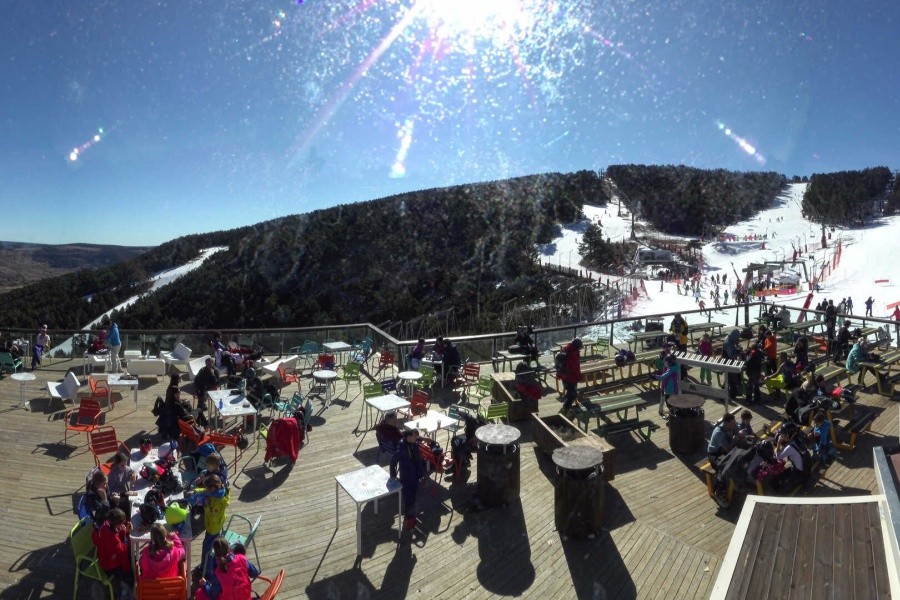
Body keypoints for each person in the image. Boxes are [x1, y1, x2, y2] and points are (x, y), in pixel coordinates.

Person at [194, 536, 260, 600]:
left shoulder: (218, 574)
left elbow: (212, 594)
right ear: (230, 548)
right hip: (246, 598)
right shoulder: (242, 558)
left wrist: (205, 584)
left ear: (216, 555)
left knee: (200, 593)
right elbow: (255, 574)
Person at [190, 474, 230, 572]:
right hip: (217, 525)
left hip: (212, 528)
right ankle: (211, 564)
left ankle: (205, 570)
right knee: (214, 548)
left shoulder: (218, 501)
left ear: (212, 488)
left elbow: (213, 517)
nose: (206, 490)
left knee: (207, 550)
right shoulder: (218, 492)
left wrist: (206, 505)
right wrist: (196, 491)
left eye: (207, 488)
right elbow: (205, 492)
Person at [390, 428, 426, 531]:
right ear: (408, 437)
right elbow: (392, 462)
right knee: (408, 498)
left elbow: (418, 461)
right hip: (406, 478)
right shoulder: (401, 449)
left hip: (415, 476)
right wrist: (393, 476)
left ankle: (411, 514)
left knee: (413, 497)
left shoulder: (414, 445)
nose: (416, 438)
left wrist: (421, 475)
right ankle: (409, 519)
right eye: (414, 436)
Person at [92, 507, 134, 591]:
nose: (122, 525)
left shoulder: (107, 524)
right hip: (109, 565)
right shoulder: (111, 536)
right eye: (121, 523)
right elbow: (121, 549)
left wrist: (124, 531)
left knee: (130, 558)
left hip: (105, 556)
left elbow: (117, 537)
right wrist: (127, 535)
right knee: (129, 575)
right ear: (116, 524)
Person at [155, 376, 190, 441]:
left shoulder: (170, 387)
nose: (180, 379)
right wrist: (182, 402)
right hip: (172, 411)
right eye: (179, 378)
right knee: (188, 407)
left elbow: (175, 400)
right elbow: (177, 402)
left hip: (167, 408)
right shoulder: (174, 389)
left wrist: (181, 401)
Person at [558, 338, 583, 415]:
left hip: (563, 375)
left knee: (570, 392)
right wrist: (578, 377)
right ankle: (564, 411)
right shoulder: (574, 353)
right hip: (571, 377)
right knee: (572, 394)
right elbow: (575, 367)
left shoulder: (566, 349)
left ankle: (565, 409)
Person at [722, 329, 742, 400]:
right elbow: (731, 355)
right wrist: (739, 352)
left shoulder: (730, 338)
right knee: (731, 379)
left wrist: (737, 348)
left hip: (731, 361)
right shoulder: (728, 342)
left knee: (729, 379)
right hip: (728, 362)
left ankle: (724, 394)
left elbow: (734, 348)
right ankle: (731, 395)